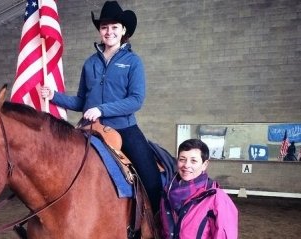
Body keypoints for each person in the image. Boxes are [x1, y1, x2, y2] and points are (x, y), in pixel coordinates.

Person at [40, 1, 162, 214]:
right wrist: (54, 97)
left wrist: (102, 109)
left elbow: (136, 100)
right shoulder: (89, 63)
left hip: (124, 129)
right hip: (89, 128)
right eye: (104, 27)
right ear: (99, 30)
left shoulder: (133, 62)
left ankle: (155, 225)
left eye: (114, 27)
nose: (109, 31)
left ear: (123, 30)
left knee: (152, 180)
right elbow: (81, 101)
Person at [158, 139, 238, 239]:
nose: (186, 165)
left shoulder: (217, 199)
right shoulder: (167, 193)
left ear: (204, 165)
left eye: (193, 161)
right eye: (182, 159)